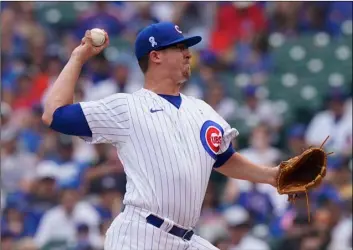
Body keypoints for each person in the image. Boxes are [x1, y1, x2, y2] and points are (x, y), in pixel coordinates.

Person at [42, 21, 279, 250]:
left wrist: (271, 176)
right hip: (140, 235)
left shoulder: (202, 110)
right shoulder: (127, 107)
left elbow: (223, 159)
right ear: (155, 56)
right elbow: (54, 114)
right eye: (179, 48)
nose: (188, 54)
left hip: (185, 238)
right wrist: (78, 58)